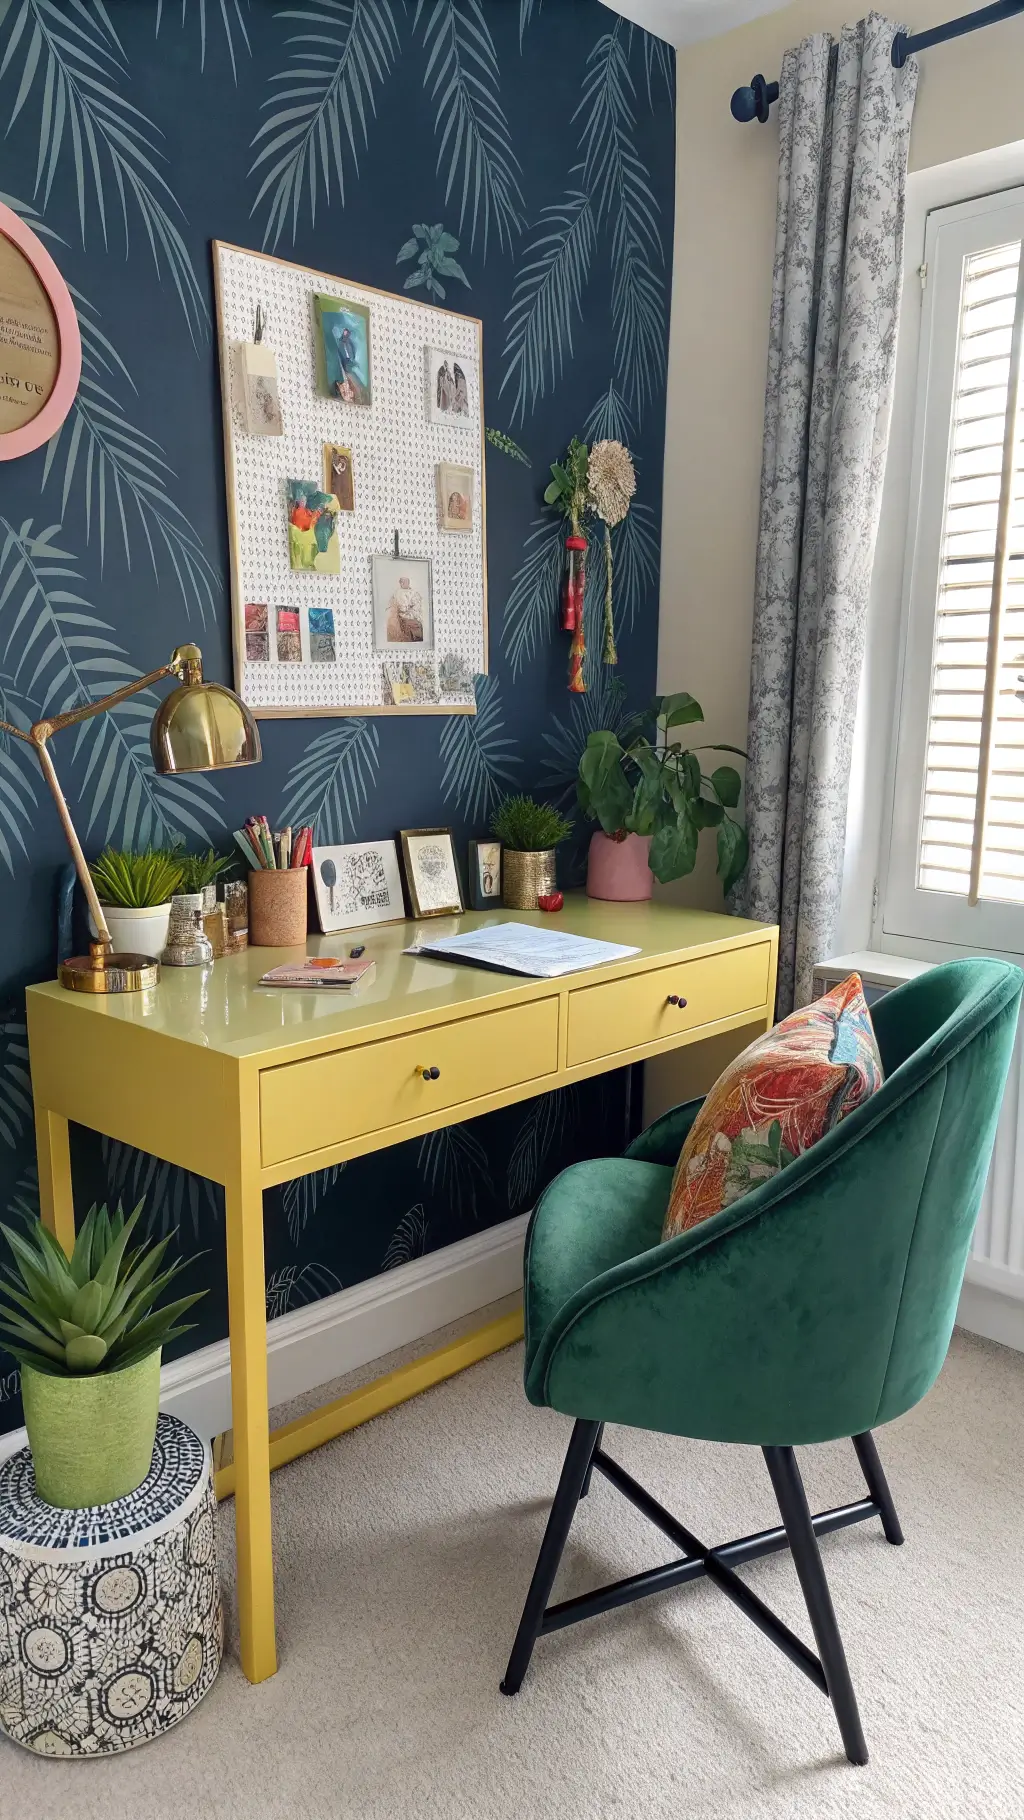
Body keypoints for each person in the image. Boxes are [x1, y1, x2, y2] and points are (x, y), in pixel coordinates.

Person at [385, 575, 425, 643]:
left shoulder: (414, 593)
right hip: (398, 614)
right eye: (401, 582)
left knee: (415, 625)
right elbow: (391, 603)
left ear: (408, 583)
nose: (402, 584)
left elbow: (417, 607)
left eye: (405, 582)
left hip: (410, 614)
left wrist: (408, 612)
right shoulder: (396, 592)